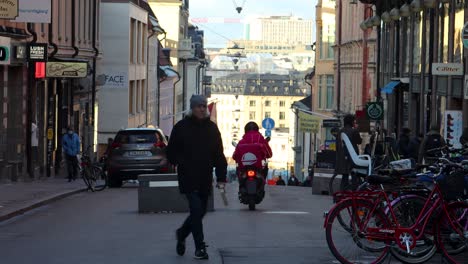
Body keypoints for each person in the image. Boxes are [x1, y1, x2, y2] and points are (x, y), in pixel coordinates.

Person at [166, 94, 227, 260]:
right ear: (192, 108)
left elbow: (219, 155)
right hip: (187, 176)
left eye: (203, 106)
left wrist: (221, 177)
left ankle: (182, 233)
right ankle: (200, 247)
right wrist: (180, 161)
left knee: (200, 212)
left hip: (204, 176)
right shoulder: (181, 127)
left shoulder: (212, 129)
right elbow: (170, 151)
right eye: (198, 106)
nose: (202, 109)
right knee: (196, 209)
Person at [335, 114, 362, 191]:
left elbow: (337, 146)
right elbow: (359, 141)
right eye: (354, 121)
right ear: (351, 122)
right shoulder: (354, 131)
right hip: (352, 158)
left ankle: (342, 191)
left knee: (345, 176)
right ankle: (354, 190)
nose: (355, 122)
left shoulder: (340, 131)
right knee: (354, 174)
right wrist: (357, 129)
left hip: (342, 157)